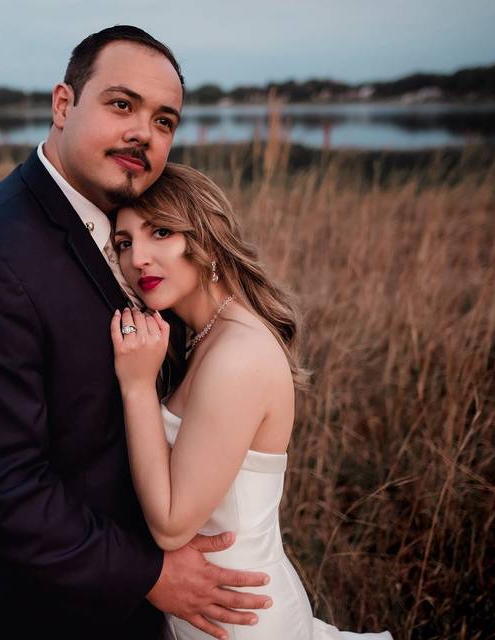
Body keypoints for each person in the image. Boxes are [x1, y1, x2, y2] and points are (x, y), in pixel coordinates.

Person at [0, 26, 274, 639]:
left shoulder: (133, 235)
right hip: (27, 613)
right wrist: (150, 574)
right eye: (122, 105)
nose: (144, 134)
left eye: (164, 121)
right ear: (63, 105)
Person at [109, 164, 394, 640]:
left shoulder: (237, 355)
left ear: (206, 236)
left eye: (161, 231)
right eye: (124, 242)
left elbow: (173, 526)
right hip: (211, 608)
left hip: (243, 621)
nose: (139, 257)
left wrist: (137, 388)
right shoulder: (207, 337)